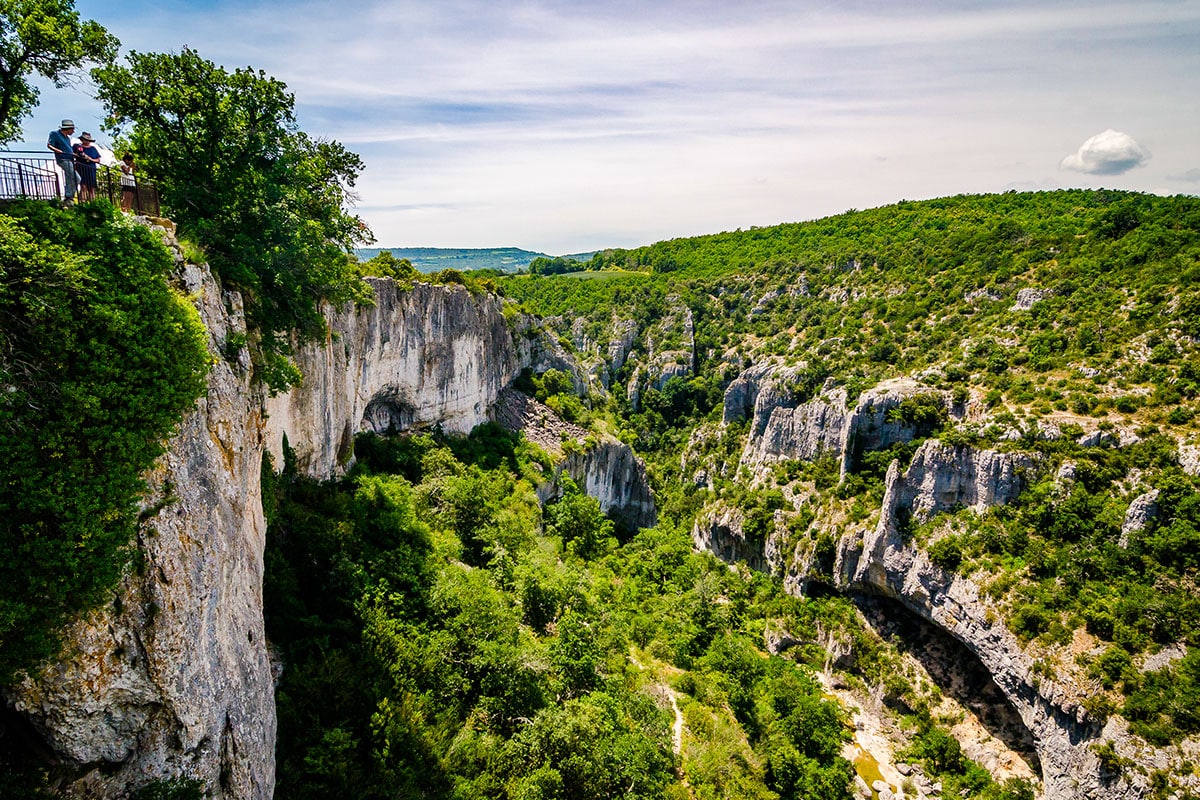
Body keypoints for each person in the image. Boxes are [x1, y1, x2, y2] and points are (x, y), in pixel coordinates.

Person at [46, 119, 78, 204]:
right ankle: (69, 195)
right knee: (77, 178)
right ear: (67, 129)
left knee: (69, 178)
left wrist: (73, 156)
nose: (73, 131)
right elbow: (49, 145)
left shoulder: (67, 138)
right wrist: (57, 150)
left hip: (70, 159)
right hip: (63, 159)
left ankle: (68, 198)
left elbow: (69, 149)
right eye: (72, 129)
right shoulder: (54, 134)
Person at [73, 132, 101, 202]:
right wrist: (80, 156)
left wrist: (90, 159)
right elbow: (72, 154)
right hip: (82, 169)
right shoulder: (77, 146)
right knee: (83, 186)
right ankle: (83, 202)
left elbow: (98, 160)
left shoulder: (93, 148)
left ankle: (93, 204)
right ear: (82, 139)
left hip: (91, 169)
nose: (87, 141)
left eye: (88, 140)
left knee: (92, 188)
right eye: (85, 140)